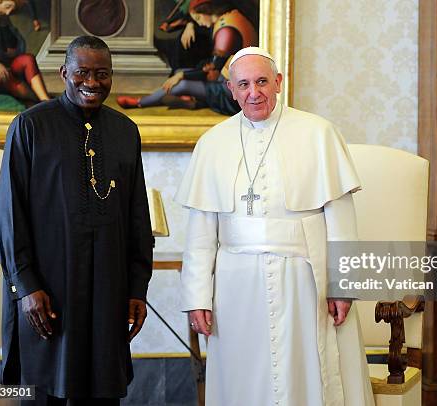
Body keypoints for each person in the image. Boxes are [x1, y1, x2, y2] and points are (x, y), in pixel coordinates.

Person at [175, 46, 375, 406]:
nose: (254, 93)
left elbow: (342, 220)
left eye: (263, 81)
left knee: (305, 375)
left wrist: (342, 286)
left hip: (303, 280)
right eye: (244, 84)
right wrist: (196, 297)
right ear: (232, 91)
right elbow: (202, 234)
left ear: (279, 82)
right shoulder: (212, 144)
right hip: (235, 288)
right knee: (243, 378)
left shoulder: (318, 133)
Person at [0, 35, 153, 406]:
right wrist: (26, 287)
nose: (92, 83)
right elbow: (10, 216)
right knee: (44, 391)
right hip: (46, 297)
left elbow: (137, 217)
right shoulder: (30, 127)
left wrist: (137, 287)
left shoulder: (125, 131)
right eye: (82, 73)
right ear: (64, 73)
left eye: (102, 74)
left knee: (101, 391)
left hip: (107, 293)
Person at [117, 0, 257, 115]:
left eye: (197, 18)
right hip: (228, 81)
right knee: (181, 74)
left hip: (232, 94)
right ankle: (195, 101)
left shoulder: (226, 31)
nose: (198, 23)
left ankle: (139, 102)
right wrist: (190, 24)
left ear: (207, 10)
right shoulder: (229, 18)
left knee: (181, 83)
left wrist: (182, 76)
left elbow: (212, 70)